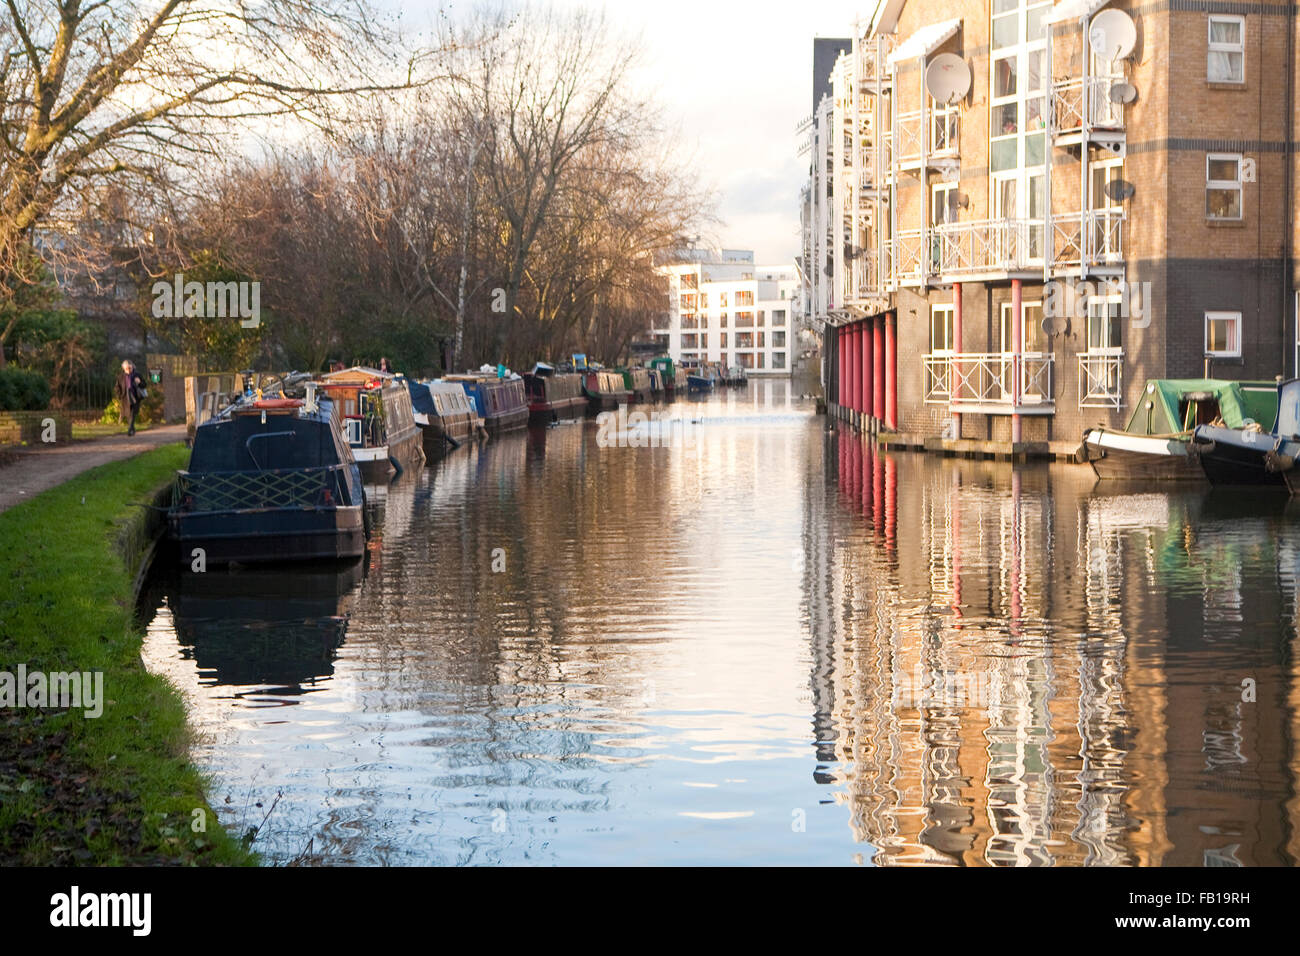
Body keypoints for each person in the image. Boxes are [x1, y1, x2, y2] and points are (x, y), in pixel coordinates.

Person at [116, 360, 146, 436]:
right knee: (128, 414)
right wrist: (119, 395)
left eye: (130, 368)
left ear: (132, 367)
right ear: (124, 369)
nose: (128, 370)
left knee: (133, 413)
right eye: (127, 369)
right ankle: (132, 428)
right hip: (125, 397)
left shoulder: (137, 375)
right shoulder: (120, 377)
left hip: (135, 396)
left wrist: (139, 382)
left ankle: (130, 429)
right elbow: (117, 387)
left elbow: (144, 385)